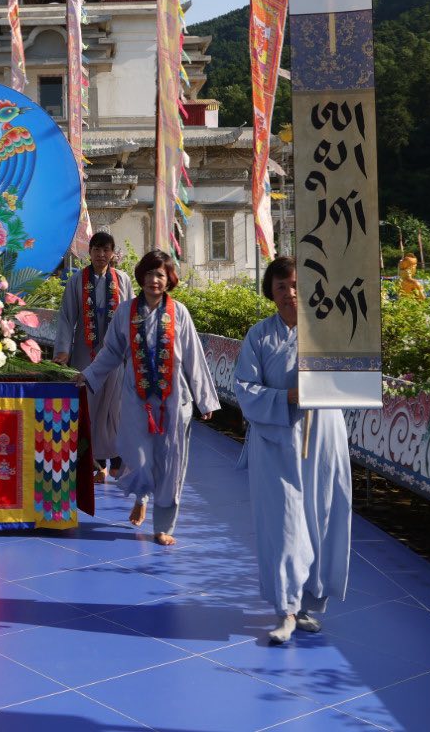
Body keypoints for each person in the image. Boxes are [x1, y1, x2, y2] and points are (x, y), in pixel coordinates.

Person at [232, 255, 352, 645]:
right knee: (283, 525)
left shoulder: (328, 329)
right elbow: (245, 388)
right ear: (271, 291)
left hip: (323, 438)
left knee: (321, 518)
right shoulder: (259, 336)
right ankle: (285, 608)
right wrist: (287, 397)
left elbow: (352, 375)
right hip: (277, 441)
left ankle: (308, 605)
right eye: (281, 286)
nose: (290, 293)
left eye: (297, 285)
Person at [79, 250, 218, 546]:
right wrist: (88, 375)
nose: (155, 280)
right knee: (139, 458)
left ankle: (163, 526)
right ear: (141, 276)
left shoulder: (179, 312)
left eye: (161, 275)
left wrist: (204, 398)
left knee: (171, 463)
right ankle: (141, 496)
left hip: (174, 401)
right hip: (136, 399)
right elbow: (111, 352)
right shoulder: (125, 312)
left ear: (169, 280)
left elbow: (193, 356)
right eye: (150, 274)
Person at [53, 232, 133, 483]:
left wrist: (132, 352)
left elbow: (131, 318)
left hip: (115, 355)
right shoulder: (77, 281)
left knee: (115, 407)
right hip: (84, 354)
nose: (101, 255)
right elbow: (67, 317)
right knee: (88, 407)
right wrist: (63, 350)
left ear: (112, 253)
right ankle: (94, 463)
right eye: (97, 250)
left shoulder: (122, 280)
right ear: (89, 252)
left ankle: (116, 459)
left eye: (106, 250)